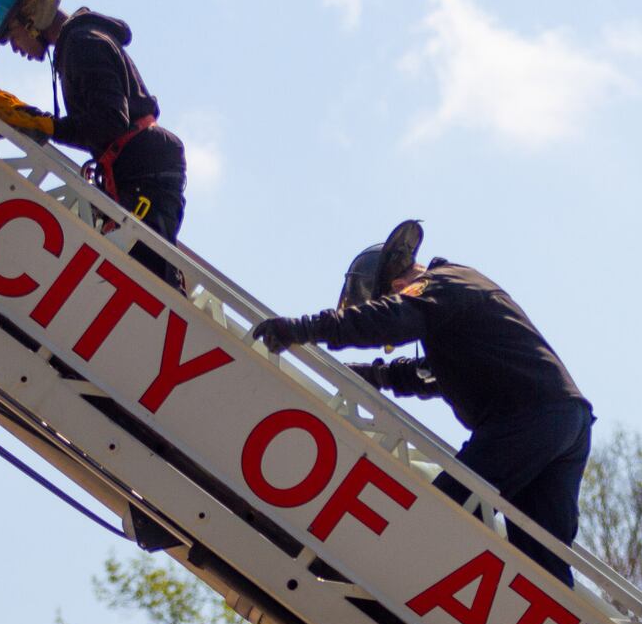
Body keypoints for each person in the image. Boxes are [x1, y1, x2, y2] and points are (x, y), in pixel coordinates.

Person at [252, 221, 594, 586]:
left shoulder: (440, 284)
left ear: (397, 288)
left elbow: (389, 320)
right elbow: (429, 374)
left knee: (441, 515)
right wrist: (371, 375)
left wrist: (302, 329)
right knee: (542, 564)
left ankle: (381, 599)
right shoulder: (457, 296)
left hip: (526, 419)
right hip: (564, 421)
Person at [0, 0, 186, 291]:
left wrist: (40, 124)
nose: (16, 48)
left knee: (142, 283)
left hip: (143, 172)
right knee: (130, 280)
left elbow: (108, 123)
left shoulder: (83, 45)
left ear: (31, 17)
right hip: (136, 172)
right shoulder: (76, 45)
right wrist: (38, 122)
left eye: (11, 36)